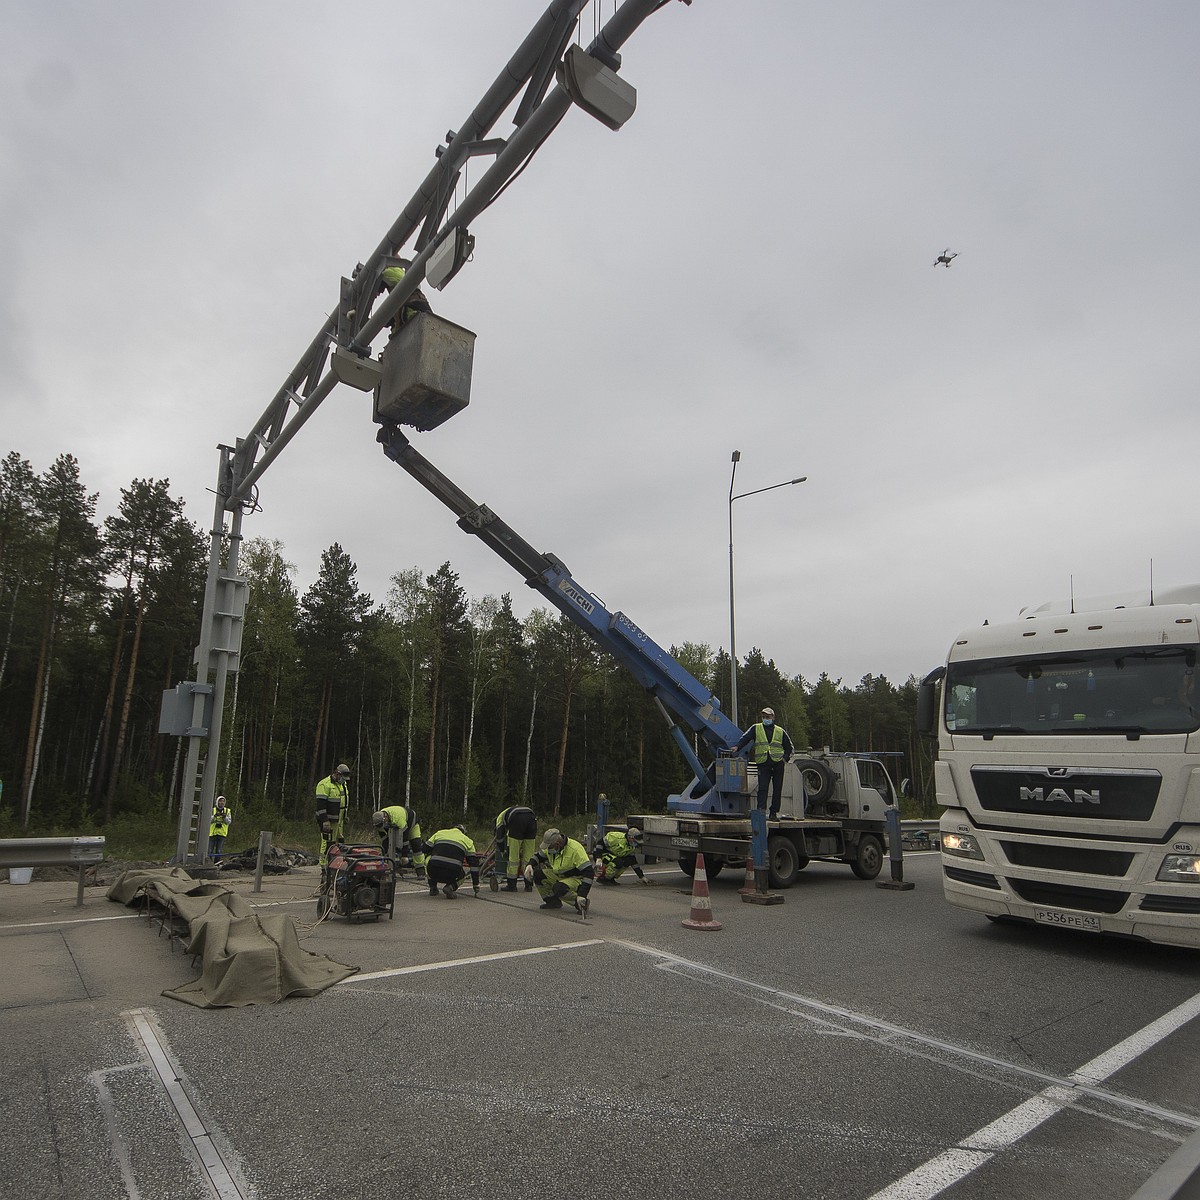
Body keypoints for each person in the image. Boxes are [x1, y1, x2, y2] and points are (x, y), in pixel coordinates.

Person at [731, 706, 795, 819]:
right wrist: (737, 747)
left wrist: (784, 759)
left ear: (773, 717)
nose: (765, 719)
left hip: (777, 764)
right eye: (764, 717)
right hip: (763, 763)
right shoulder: (756, 728)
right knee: (763, 788)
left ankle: (773, 813)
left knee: (777, 789)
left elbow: (790, 748)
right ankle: (761, 811)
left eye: (768, 717)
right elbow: (745, 738)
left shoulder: (780, 731)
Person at [529, 827, 594, 915]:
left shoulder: (575, 850)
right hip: (559, 875)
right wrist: (530, 865)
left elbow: (589, 873)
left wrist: (582, 895)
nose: (547, 849)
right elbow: (538, 856)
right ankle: (552, 902)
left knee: (559, 888)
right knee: (538, 875)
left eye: (549, 847)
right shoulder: (551, 847)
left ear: (558, 844)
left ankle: (581, 903)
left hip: (576, 878)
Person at [423, 825, 481, 899]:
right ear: (464, 833)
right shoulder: (468, 841)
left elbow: (424, 849)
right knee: (463, 874)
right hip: (452, 874)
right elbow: (474, 866)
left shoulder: (440, 833)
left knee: (428, 858)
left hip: (433, 872)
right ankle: (450, 887)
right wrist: (476, 885)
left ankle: (433, 887)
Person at [379, 256, 432, 333]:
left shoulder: (389, 273)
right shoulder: (402, 272)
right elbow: (389, 318)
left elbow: (375, 287)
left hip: (414, 313)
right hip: (419, 307)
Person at [371, 805, 427, 878]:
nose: (381, 827)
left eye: (382, 825)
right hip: (397, 824)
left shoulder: (398, 819)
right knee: (392, 845)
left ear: (385, 818)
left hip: (411, 822)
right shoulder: (379, 820)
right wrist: (385, 853)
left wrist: (404, 855)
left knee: (416, 845)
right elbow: (385, 840)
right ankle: (393, 867)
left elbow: (405, 838)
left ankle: (420, 871)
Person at [494, 804, 538, 892]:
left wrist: (502, 851)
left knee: (513, 857)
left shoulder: (499, 818)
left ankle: (511, 886)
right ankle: (528, 885)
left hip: (517, 820)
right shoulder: (508, 811)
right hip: (531, 818)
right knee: (528, 857)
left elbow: (499, 838)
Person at [315, 763, 352, 867]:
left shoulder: (342, 785)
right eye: (343, 777)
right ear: (337, 774)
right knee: (327, 842)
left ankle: (336, 863)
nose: (344, 780)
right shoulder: (324, 784)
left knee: (339, 841)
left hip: (338, 819)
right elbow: (320, 806)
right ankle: (324, 865)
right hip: (328, 819)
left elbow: (344, 802)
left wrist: (345, 816)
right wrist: (324, 820)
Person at [208, 796, 232, 861]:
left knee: (218, 851)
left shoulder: (227, 811)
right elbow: (208, 821)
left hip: (222, 833)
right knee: (209, 850)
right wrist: (215, 816)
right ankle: (209, 863)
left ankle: (217, 864)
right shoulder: (212, 810)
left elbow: (229, 822)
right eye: (220, 801)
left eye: (223, 801)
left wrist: (224, 817)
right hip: (212, 833)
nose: (222, 803)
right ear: (217, 802)